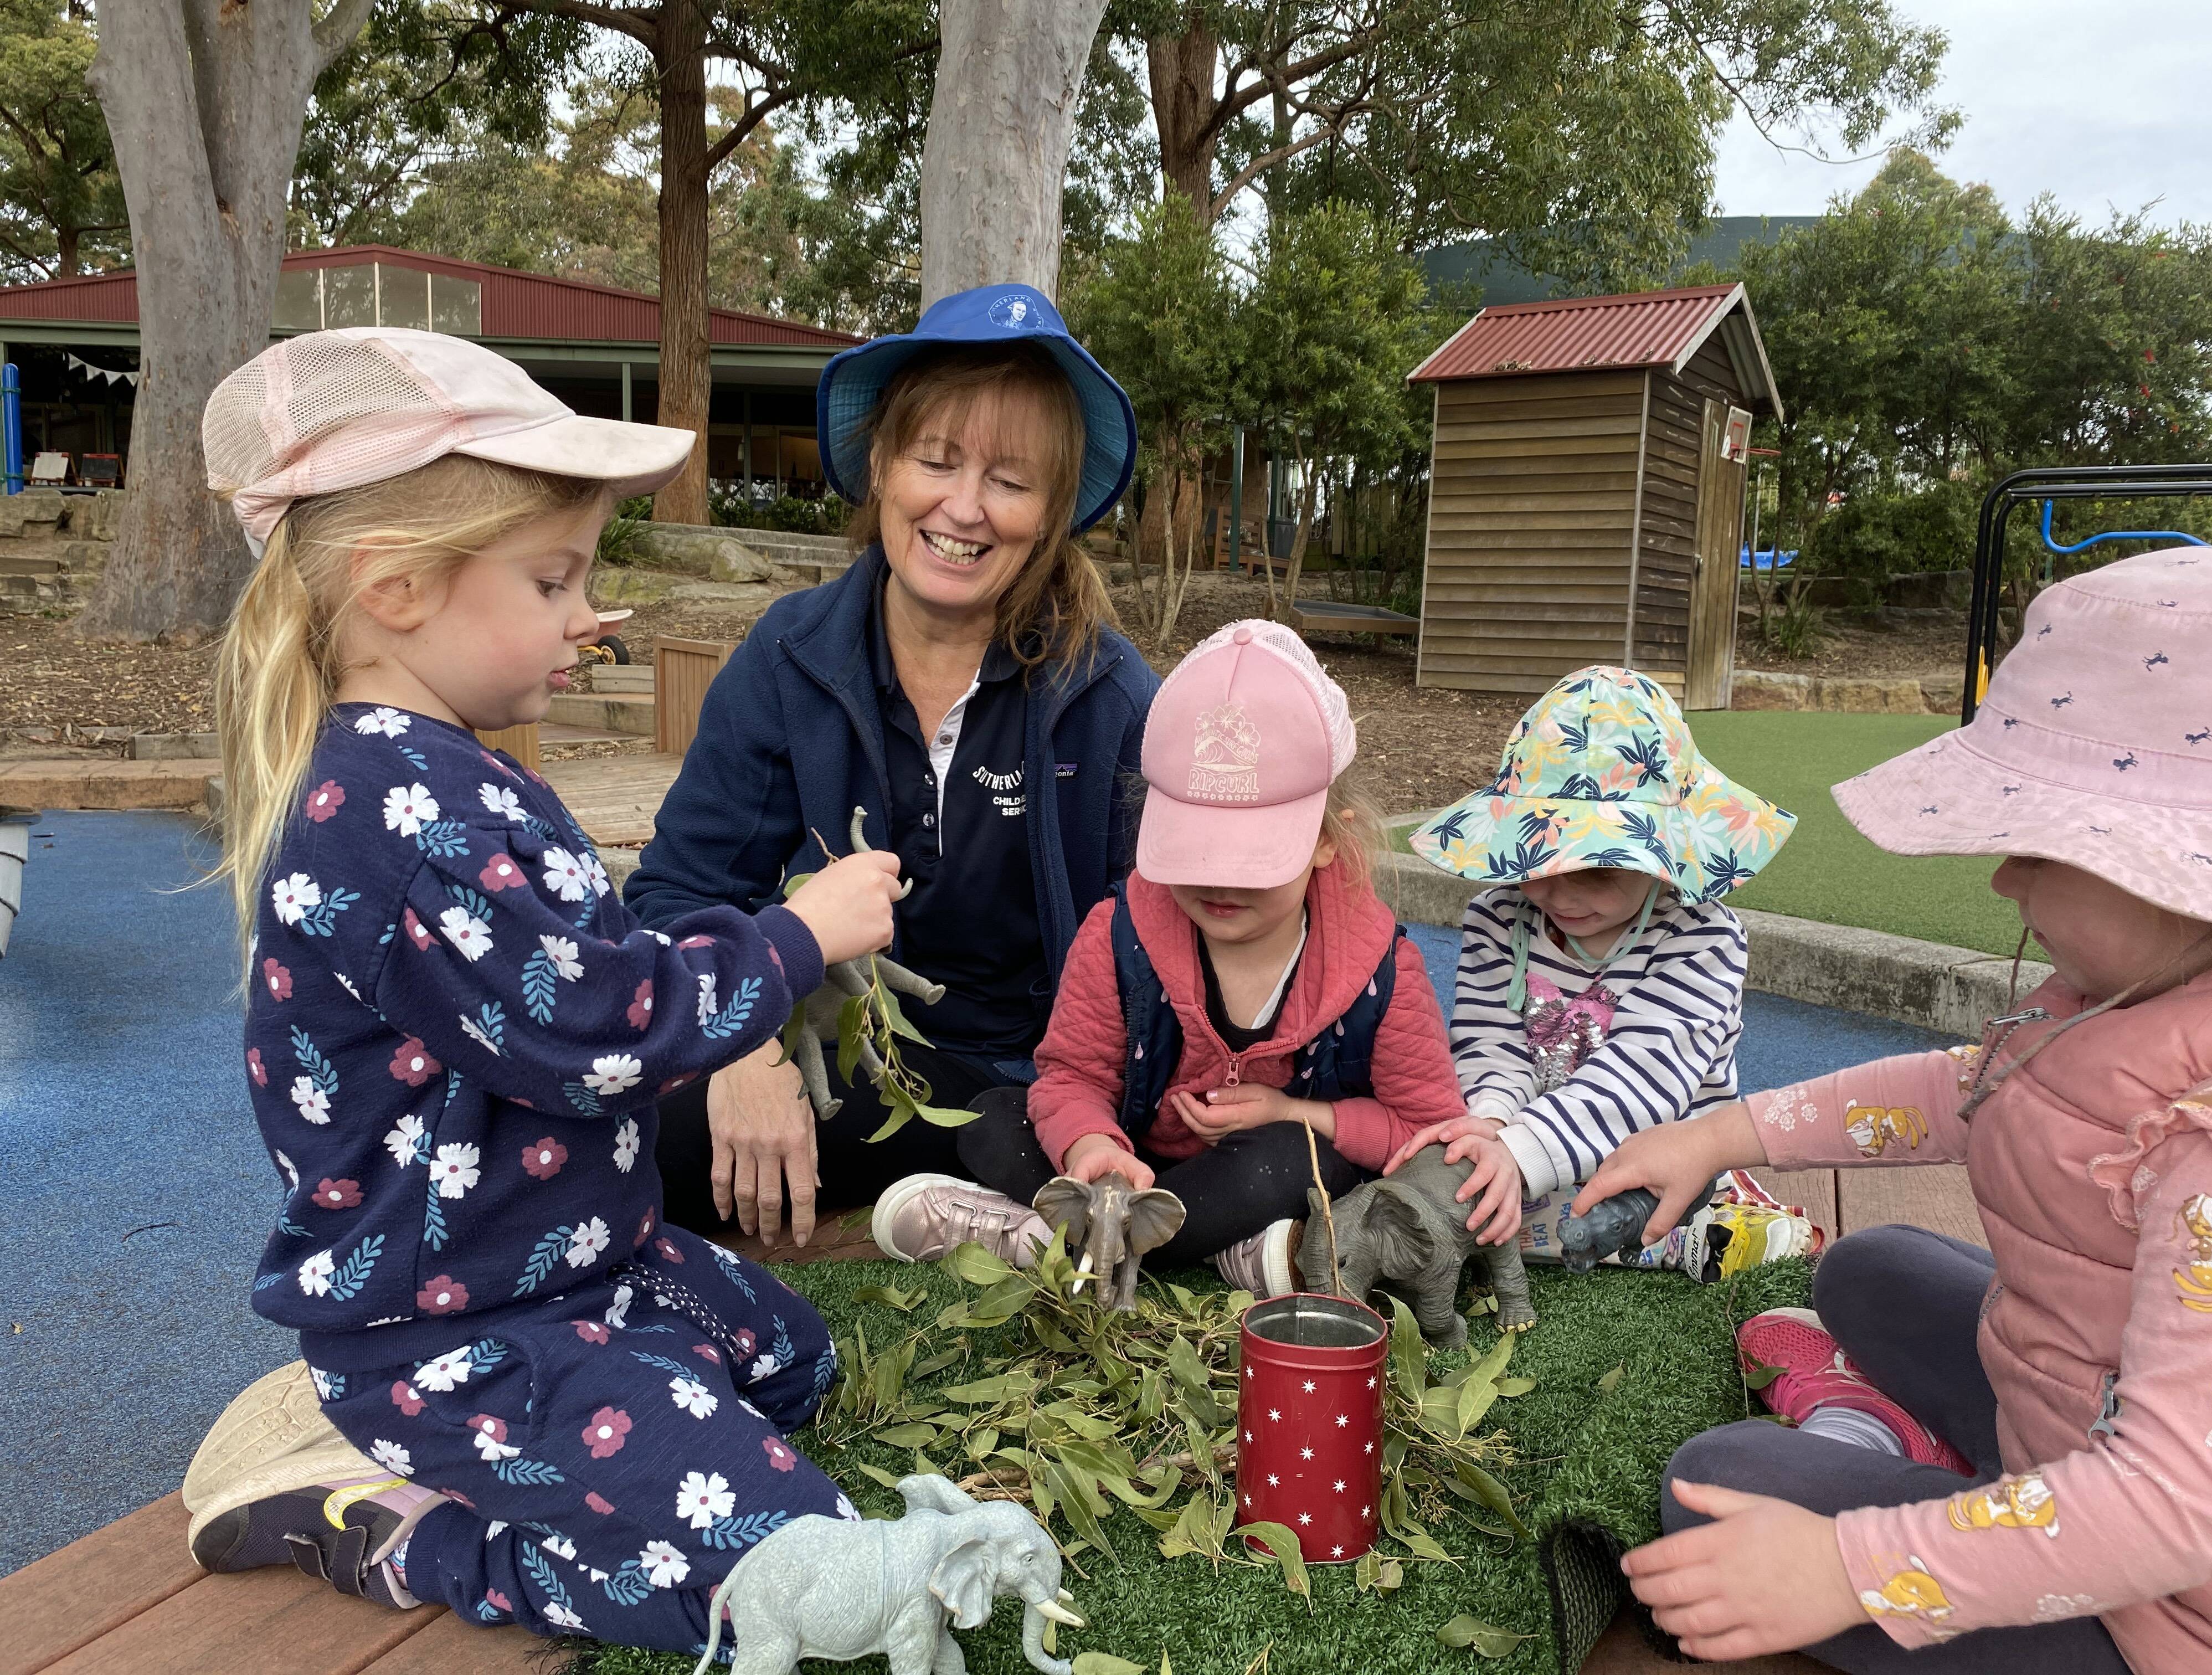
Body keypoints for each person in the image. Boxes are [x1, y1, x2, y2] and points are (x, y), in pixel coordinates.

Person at [182, 328, 907, 1655]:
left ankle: (603, 1420)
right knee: (806, 1579)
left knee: (795, 1365)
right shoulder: (397, 820)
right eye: (553, 577)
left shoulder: (445, 763)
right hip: (455, 1331)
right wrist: (797, 940)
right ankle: (418, 1533)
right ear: (396, 589)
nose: (593, 614)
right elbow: (595, 1029)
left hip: (572, 1264)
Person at [1580, 548, 2212, 1674]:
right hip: (2076, 1406)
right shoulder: (2126, 994)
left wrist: (1849, 1567)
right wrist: (1722, 1133)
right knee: (1868, 1269)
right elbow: (1960, 1093)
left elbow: (2179, 1505)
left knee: (1720, 1494)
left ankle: (1952, 1510)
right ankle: (1958, 1477)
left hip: (2164, 1610)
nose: (2004, 883)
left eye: (2037, 844)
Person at [623, 282, 1156, 1251]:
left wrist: (1087, 1108)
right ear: (880, 463)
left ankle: (970, 1199)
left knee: (1066, 1136)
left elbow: (1158, 949)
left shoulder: (1109, 695)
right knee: (618, 1129)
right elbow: (671, 897)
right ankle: (950, 1208)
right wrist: (747, 1045)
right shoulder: (790, 657)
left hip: (1035, 1081)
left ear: (1053, 511)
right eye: (935, 460)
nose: (964, 508)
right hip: (837, 1054)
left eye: (1009, 478)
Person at [870, 620, 1468, 1296]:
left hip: (1257, 1171)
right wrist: (1093, 1150)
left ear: (1330, 840)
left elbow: (1426, 1132)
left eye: (1252, 857)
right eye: (1194, 848)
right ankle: (1210, 1249)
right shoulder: (1119, 933)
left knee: (1296, 1161)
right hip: (1133, 1167)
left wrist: (1296, 1113)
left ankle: (1048, 1238)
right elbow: (1070, 1077)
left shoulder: (1382, 971)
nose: (1219, 882)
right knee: (991, 1118)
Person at [1388, 667, 1796, 1261]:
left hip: (1660, 1153)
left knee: (1666, 1218)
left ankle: (1717, 1229)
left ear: (1664, 856)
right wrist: (1494, 1125)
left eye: (1599, 871)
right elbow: (1489, 1041)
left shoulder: (1703, 940)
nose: (1561, 895)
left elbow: (1640, 1078)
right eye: (1538, 862)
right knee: (1461, 1195)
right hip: (1534, 1146)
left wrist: (1523, 1151)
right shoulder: (1500, 918)